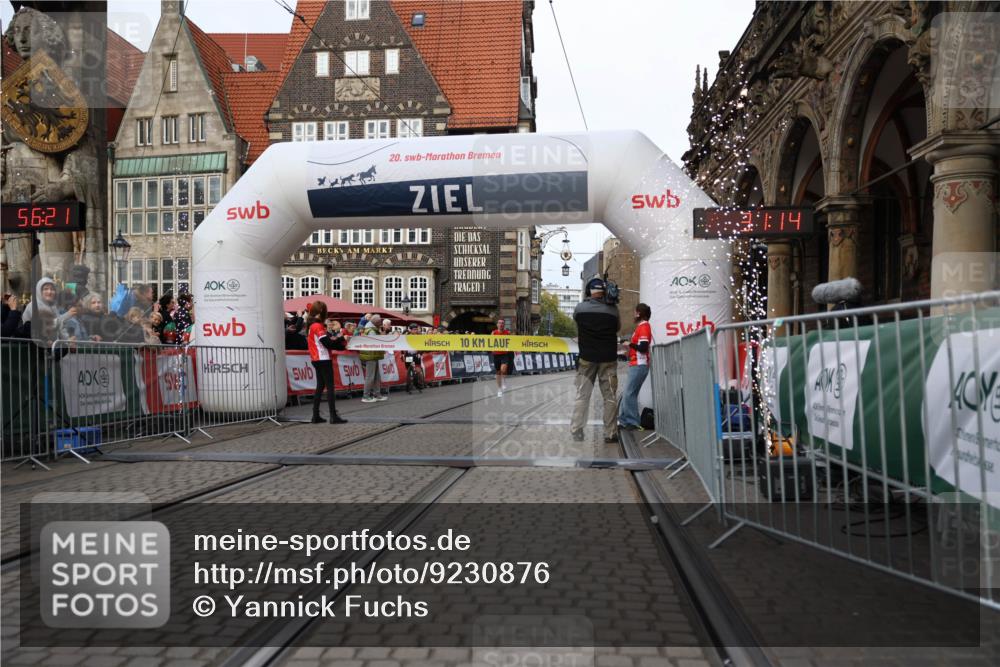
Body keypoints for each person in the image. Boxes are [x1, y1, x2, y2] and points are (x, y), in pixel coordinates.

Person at [571, 278, 620, 443]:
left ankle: (577, 430)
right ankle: (610, 433)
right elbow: (618, 328)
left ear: (588, 292)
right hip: (608, 359)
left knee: (582, 395)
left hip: (586, 358)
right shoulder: (613, 311)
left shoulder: (580, 309)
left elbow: (576, 321)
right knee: (610, 396)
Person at [306, 301, 347, 424]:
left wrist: (341, 344)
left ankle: (315, 415)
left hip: (316, 359)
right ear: (320, 313)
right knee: (329, 387)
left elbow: (327, 343)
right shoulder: (317, 326)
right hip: (323, 358)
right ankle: (333, 416)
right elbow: (327, 344)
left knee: (320, 387)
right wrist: (341, 339)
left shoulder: (311, 325)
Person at [619, 303, 653, 431]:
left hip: (639, 365)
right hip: (637, 364)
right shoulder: (641, 327)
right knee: (629, 393)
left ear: (639, 313)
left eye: (635, 312)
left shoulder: (643, 327)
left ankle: (632, 422)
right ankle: (624, 420)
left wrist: (630, 344)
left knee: (629, 393)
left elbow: (643, 348)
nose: (633, 314)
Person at [358, 314, 386, 402]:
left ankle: (377, 394)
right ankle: (366, 396)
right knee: (370, 376)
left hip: (373, 355)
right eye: (380, 322)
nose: (381, 323)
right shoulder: (371, 331)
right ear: (376, 323)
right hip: (371, 355)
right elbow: (375, 342)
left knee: (376, 376)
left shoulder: (371, 329)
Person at [491, 318, 513, 397]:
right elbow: (489, 342)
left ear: (504, 325)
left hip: (504, 354)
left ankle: (504, 380)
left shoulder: (507, 333)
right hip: (496, 354)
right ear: (497, 324)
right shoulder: (493, 333)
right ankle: (499, 389)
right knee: (498, 373)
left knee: (503, 370)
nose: (501, 324)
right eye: (499, 323)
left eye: (502, 323)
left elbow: (512, 342)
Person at [404, 322, 425, 393]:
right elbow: (401, 346)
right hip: (409, 355)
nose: (415, 331)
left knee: (418, 371)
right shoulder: (406, 336)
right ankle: (408, 386)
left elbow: (423, 346)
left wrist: (420, 353)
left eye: (416, 329)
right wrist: (402, 354)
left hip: (416, 355)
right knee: (409, 370)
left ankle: (419, 384)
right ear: (410, 330)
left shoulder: (419, 337)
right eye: (414, 329)